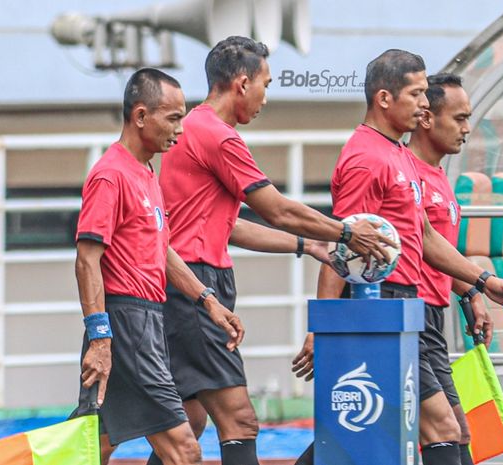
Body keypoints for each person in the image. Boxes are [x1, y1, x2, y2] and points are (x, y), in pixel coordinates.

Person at [145, 36, 394, 465]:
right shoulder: (221, 138)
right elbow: (275, 209)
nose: (265, 97)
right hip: (196, 288)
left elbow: (229, 226)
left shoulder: (192, 129)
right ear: (242, 84)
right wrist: (347, 234)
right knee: (239, 423)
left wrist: (309, 244)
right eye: (266, 84)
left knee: (188, 425)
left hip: (181, 285)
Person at [291, 50, 503, 465]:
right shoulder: (366, 157)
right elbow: (343, 251)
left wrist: (482, 282)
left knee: (433, 429)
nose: (424, 103)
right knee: (437, 429)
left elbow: (425, 236)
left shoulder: (398, 154)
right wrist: (322, 326)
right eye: (417, 93)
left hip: (408, 308)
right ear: (385, 98)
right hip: (380, 306)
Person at [72, 68, 244, 465]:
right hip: (125, 324)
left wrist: (208, 300)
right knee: (184, 450)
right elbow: (87, 259)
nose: (181, 130)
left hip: (148, 321)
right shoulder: (110, 175)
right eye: (173, 117)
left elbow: (160, 250)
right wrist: (101, 338)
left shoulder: (147, 173)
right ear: (140, 116)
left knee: (93, 446)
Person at [405, 72, 489, 465]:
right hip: (407, 313)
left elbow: (438, 251)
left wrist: (469, 292)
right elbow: (352, 238)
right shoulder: (405, 171)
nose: (467, 129)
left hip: (433, 318)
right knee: (449, 431)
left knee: (458, 431)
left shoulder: (438, 174)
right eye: (459, 118)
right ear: (426, 118)